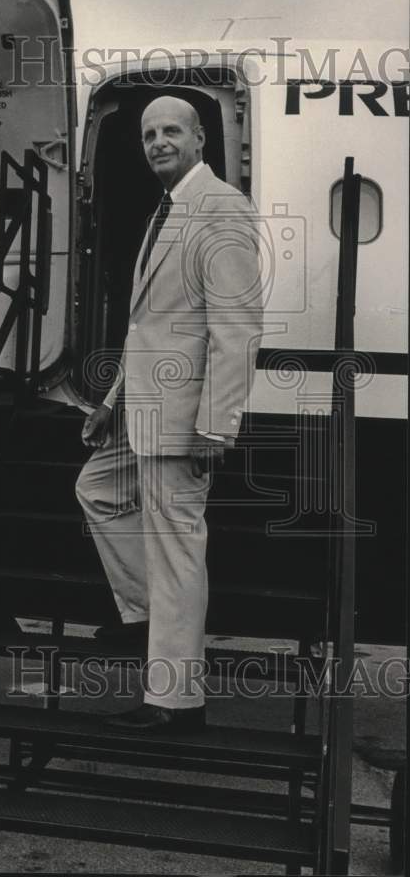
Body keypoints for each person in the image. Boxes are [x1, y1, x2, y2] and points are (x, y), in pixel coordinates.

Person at [75, 95, 263, 733]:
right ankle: (151, 619)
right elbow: (147, 327)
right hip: (143, 409)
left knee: (177, 546)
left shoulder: (220, 209)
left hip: (185, 417)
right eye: (150, 133)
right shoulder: (166, 210)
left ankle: (176, 700)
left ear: (200, 138)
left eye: (172, 131)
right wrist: (108, 403)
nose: (158, 141)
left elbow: (235, 328)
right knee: (96, 489)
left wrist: (219, 421)